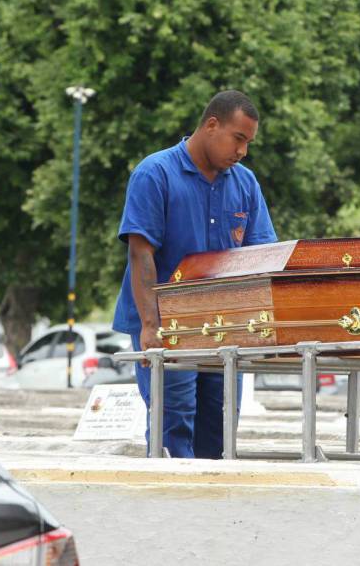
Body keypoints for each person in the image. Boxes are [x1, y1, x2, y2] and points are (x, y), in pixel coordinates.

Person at [112, 90, 277, 458]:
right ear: (212, 125)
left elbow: (260, 257)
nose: (242, 151)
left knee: (221, 427)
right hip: (167, 325)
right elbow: (140, 253)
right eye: (238, 138)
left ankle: (214, 495)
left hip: (226, 328)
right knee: (173, 424)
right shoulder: (155, 173)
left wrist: (261, 326)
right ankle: (168, 493)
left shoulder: (246, 183)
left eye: (248, 143)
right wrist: (151, 326)